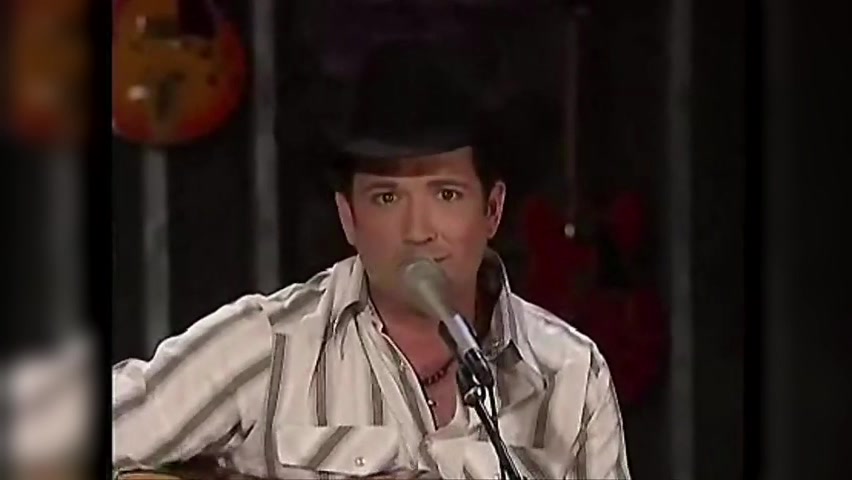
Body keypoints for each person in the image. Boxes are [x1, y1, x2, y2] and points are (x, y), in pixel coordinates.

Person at [112, 40, 631, 479]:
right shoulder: (268, 346)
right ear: (349, 218)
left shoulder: (571, 373)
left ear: (492, 210)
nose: (418, 230)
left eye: (446, 194)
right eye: (387, 197)